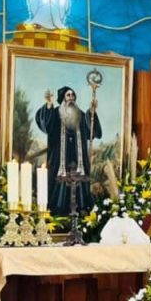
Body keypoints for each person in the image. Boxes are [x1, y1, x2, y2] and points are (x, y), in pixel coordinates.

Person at [35, 86, 101, 216]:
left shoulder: (80, 115)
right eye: (68, 95)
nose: (71, 98)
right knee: (57, 185)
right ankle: (57, 210)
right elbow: (46, 125)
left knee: (80, 185)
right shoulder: (55, 113)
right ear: (63, 98)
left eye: (72, 95)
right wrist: (48, 105)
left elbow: (91, 132)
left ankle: (81, 210)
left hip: (78, 160)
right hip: (59, 159)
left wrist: (91, 113)